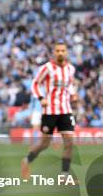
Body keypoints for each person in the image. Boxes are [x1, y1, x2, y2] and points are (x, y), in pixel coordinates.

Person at [21, 42, 78, 179]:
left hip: (65, 110)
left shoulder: (70, 69)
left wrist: (73, 94)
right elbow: (35, 84)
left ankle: (64, 177)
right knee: (44, 143)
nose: (60, 53)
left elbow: (69, 85)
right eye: (57, 50)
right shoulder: (47, 68)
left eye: (63, 50)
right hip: (50, 111)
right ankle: (26, 160)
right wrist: (41, 98)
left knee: (69, 142)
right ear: (54, 52)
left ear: (66, 52)